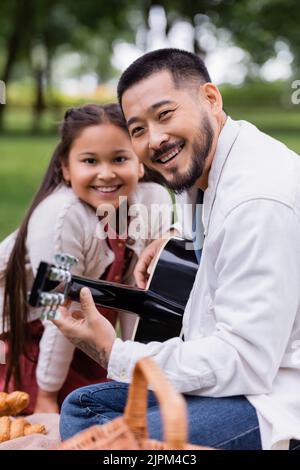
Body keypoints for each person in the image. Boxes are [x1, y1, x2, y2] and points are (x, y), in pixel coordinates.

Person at [56, 49, 300, 450]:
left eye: (165, 114)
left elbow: (244, 362)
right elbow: (218, 236)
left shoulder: (258, 201)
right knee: (83, 408)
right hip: (233, 376)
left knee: (114, 443)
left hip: (272, 395)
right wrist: (176, 239)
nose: (154, 140)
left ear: (211, 98)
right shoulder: (211, 161)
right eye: (137, 129)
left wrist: (111, 350)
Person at [0, 103, 172, 414]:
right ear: (66, 168)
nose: (106, 173)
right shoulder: (61, 217)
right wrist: (46, 398)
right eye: (89, 161)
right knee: (56, 421)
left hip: (87, 337)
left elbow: (140, 295)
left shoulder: (150, 202)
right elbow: (56, 312)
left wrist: (139, 367)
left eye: (120, 158)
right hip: (30, 339)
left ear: (140, 163)